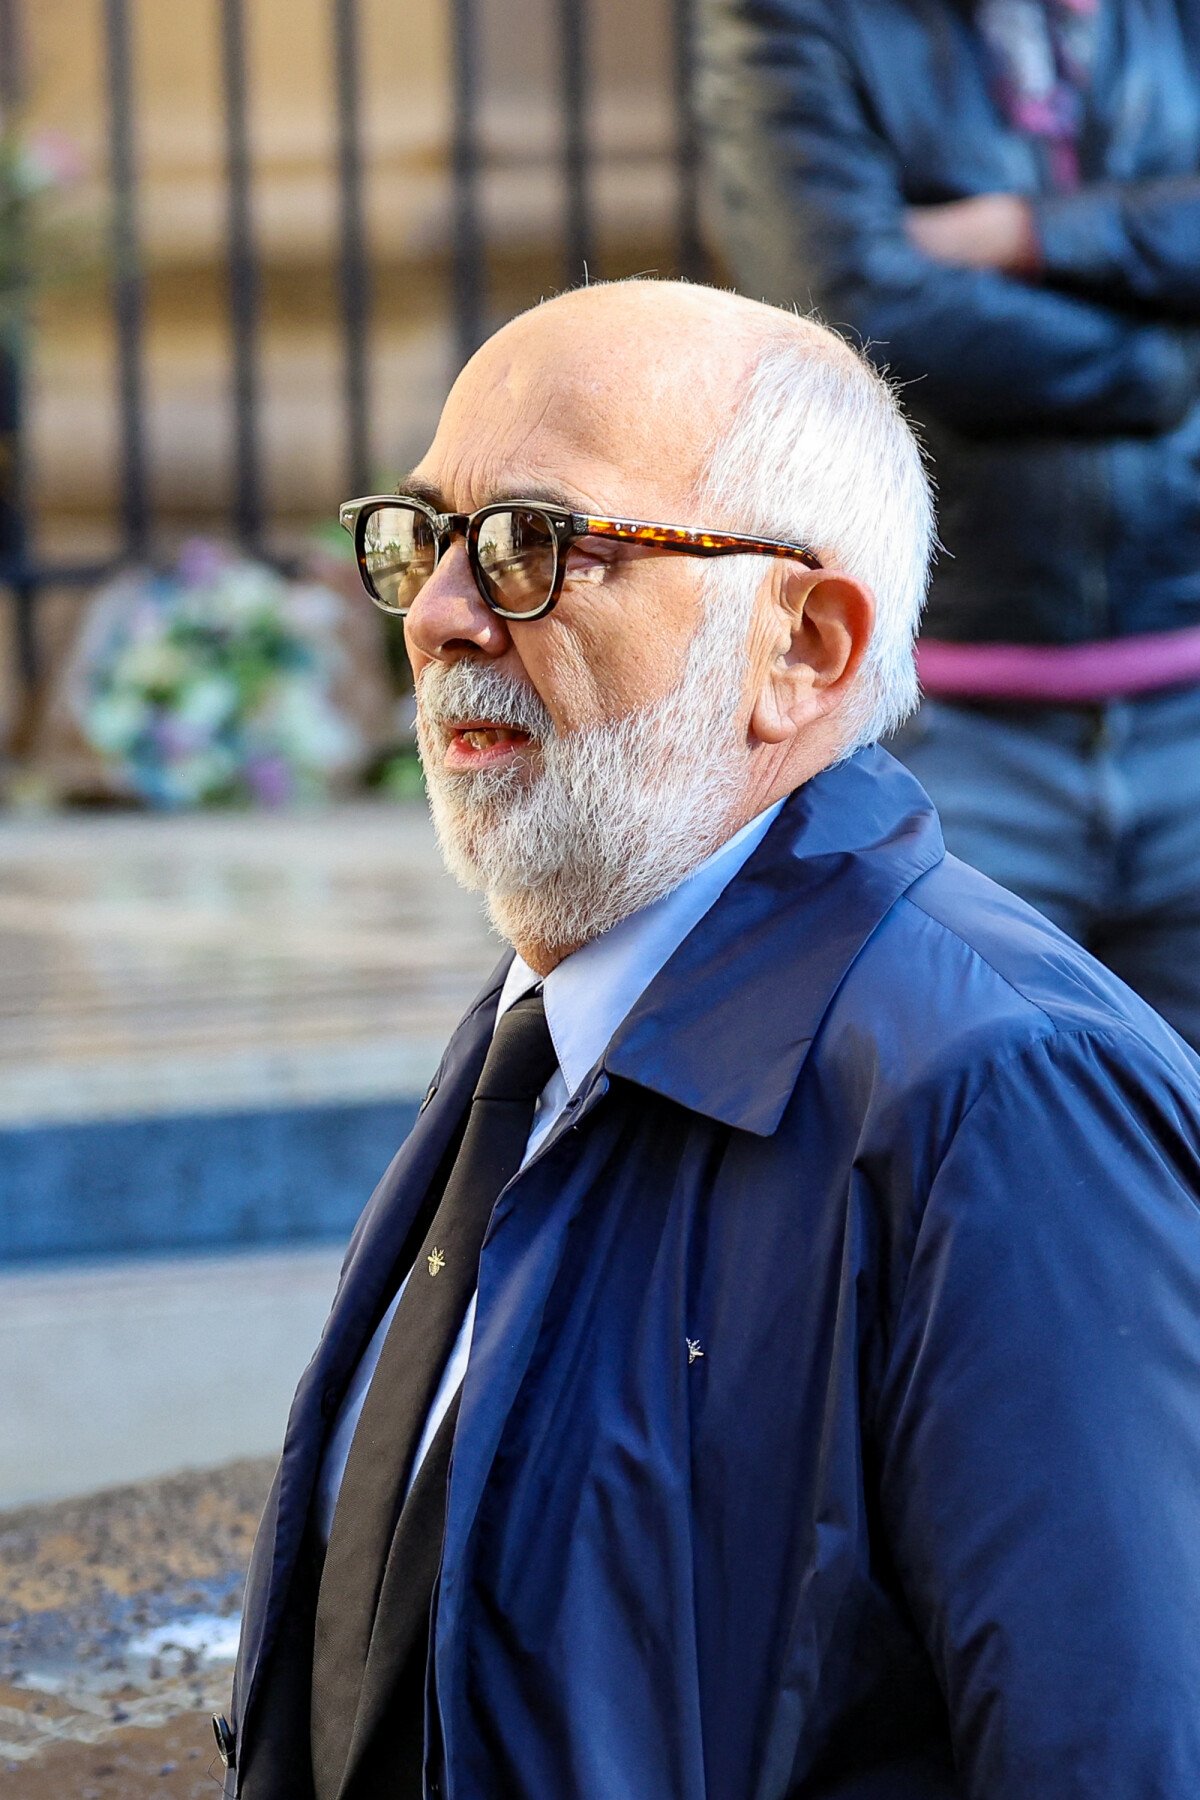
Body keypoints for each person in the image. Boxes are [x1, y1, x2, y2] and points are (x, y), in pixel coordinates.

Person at [217, 280, 1200, 1800]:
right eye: (425, 538)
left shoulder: (1006, 1095)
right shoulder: (554, 1021)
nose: (438, 615)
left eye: (537, 546)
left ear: (802, 644)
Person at [699, 0, 1200, 1048]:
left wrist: (1017, 234)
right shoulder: (795, 18)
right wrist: (1156, 363)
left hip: (1187, 710)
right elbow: (845, 298)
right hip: (938, 734)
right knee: (965, 1154)